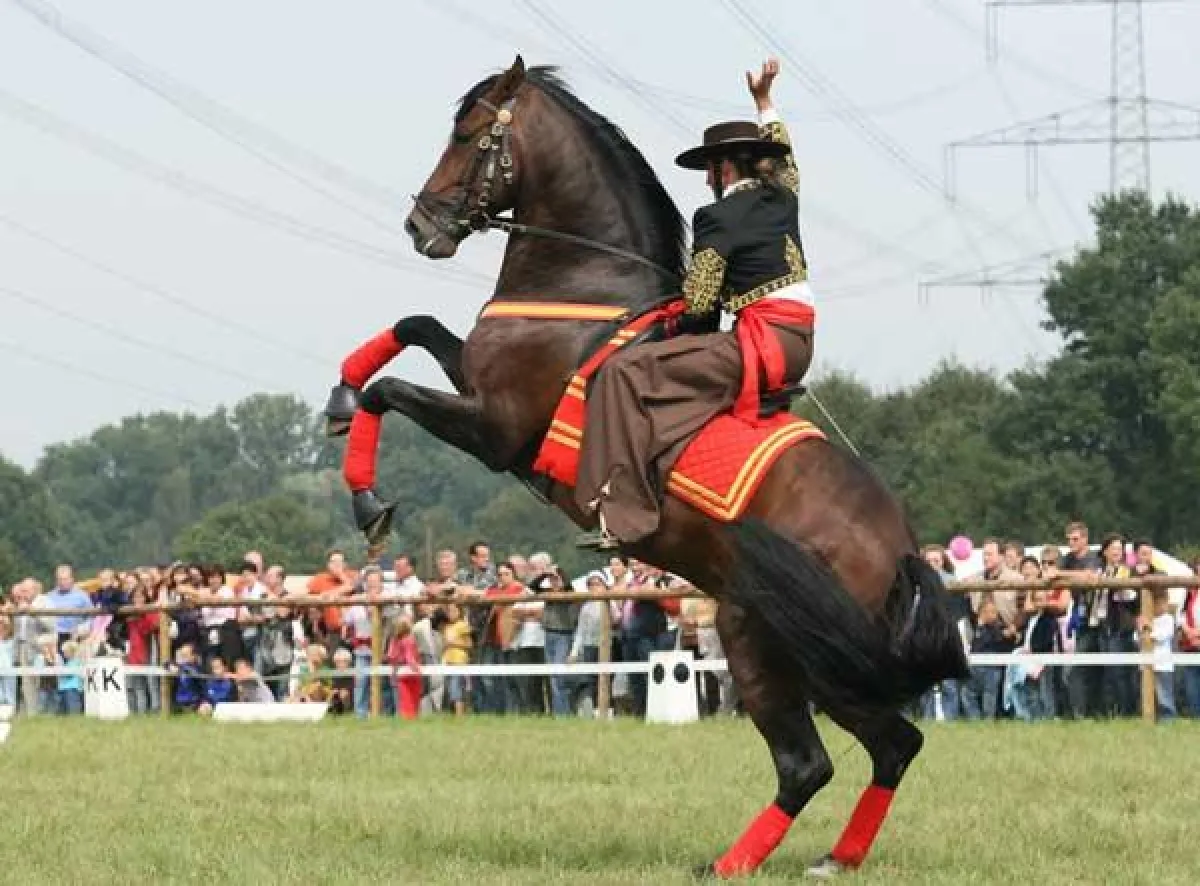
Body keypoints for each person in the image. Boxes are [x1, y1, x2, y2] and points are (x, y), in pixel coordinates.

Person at [576, 58, 815, 550]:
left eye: (710, 168)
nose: (708, 178)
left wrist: (667, 329)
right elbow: (787, 158)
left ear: (723, 167)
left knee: (623, 373)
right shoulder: (783, 197)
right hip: (799, 343)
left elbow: (703, 306)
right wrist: (765, 102)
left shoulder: (716, 216)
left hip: (758, 345)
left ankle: (623, 515)